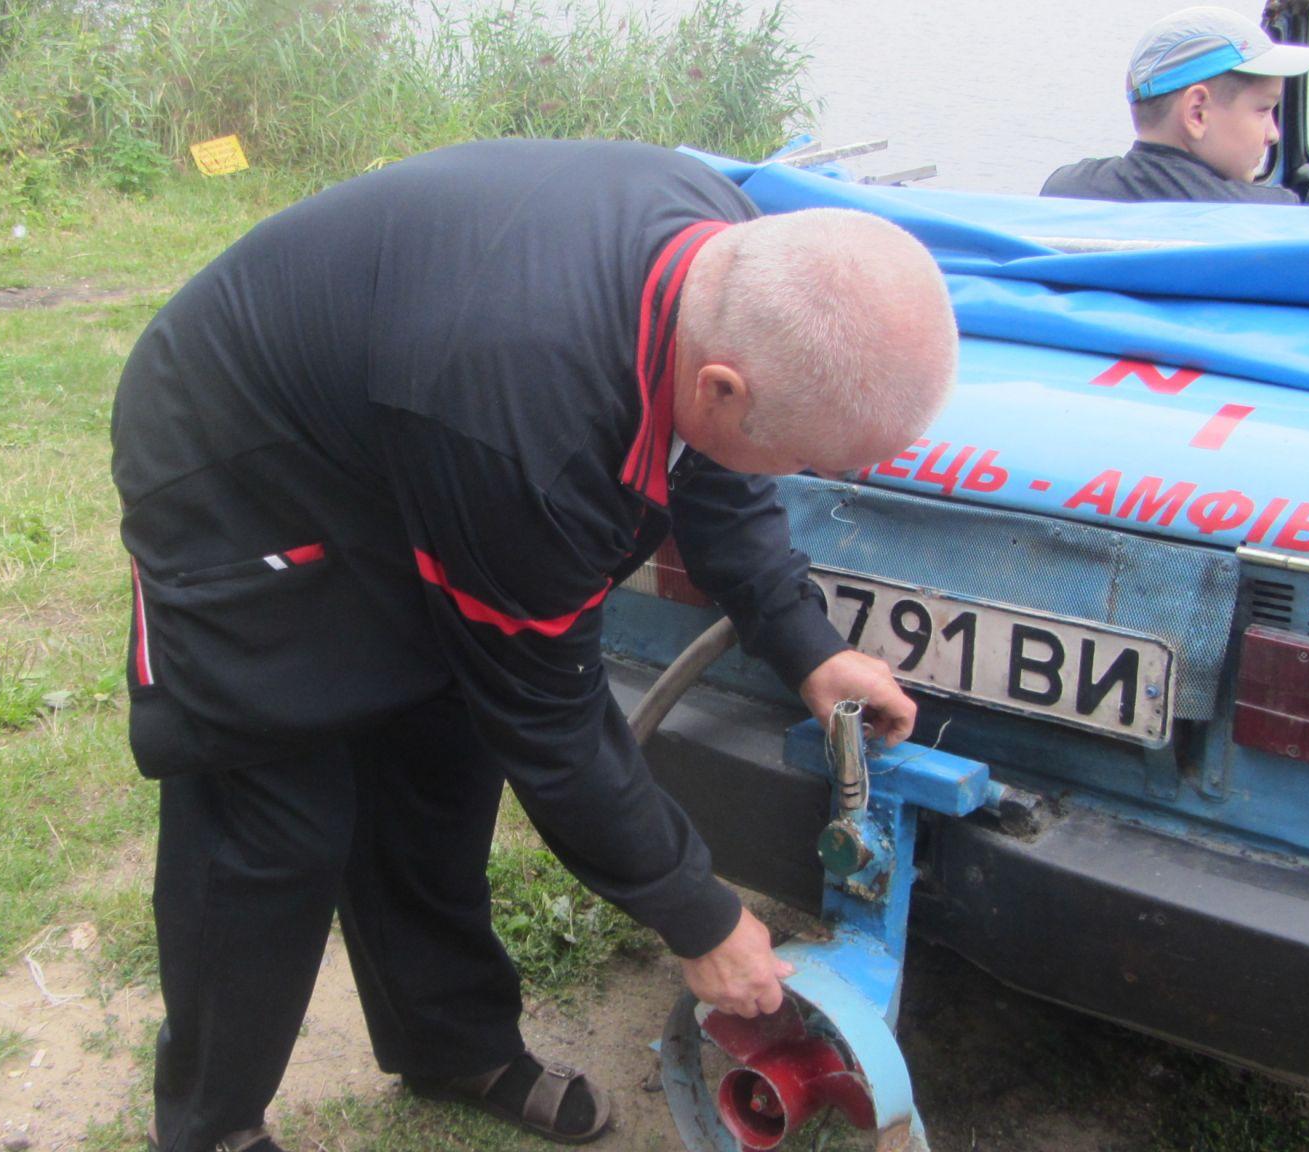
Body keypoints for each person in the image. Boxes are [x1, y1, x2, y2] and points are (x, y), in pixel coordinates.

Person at [111, 137, 958, 1152]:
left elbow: (720, 469)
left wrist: (805, 644)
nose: (796, 475)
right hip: (238, 459)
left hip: (417, 424)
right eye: (806, 458)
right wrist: (695, 913)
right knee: (274, 823)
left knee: (438, 769)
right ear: (724, 386)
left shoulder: (732, 263)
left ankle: (449, 1046)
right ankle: (209, 1128)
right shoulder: (532, 430)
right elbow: (550, 719)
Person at [1043, 5, 1309, 204]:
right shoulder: (1270, 218)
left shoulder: (1065, 190)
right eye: (1262, 110)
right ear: (1196, 113)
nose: (1273, 134)